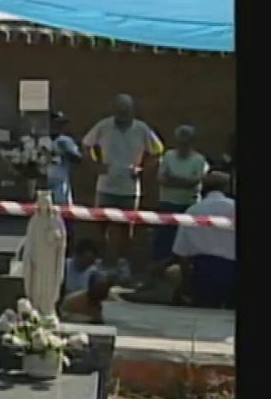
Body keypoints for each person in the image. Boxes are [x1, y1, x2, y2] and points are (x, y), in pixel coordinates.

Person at [81, 94, 163, 285]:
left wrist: (142, 169)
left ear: (132, 111)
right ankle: (99, 263)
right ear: (114, 110)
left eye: (126, 112)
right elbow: (86, 145)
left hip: (129, 188)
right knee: (100, 226)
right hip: (105, 186)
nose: (122, 115)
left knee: (127, 229)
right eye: (119, 111)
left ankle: (122, 265)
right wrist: (95, 165)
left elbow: (158, 151)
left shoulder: (142, 129)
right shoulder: (104, 126)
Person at [172, 171, 236, 308]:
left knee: (204, 318)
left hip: (203, 272)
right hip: (232, 269)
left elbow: (182, 253)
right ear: (226, 188)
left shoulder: (192, 211)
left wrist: (186, 285)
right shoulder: (233, 208)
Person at [151, 124, 210, 274]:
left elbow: (195, 183)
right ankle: (158, 275)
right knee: (163, 242)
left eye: (186, 143)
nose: (182, 146)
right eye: (180, 142)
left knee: (186, 245)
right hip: (167, 205)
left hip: (188, 207)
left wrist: (173, 179)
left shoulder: (199, 160)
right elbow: (161, 179)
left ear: (191, 143)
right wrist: (184, 181)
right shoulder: (169, 156)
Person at [44, 111, 83, 205]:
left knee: (61, 210)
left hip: (60, 182)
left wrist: (67, 151)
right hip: (42, 182)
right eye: (56, 123)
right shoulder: (41, 139)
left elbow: (78, 159)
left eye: (61, 124)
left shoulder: (65, 140)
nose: (58, 126)